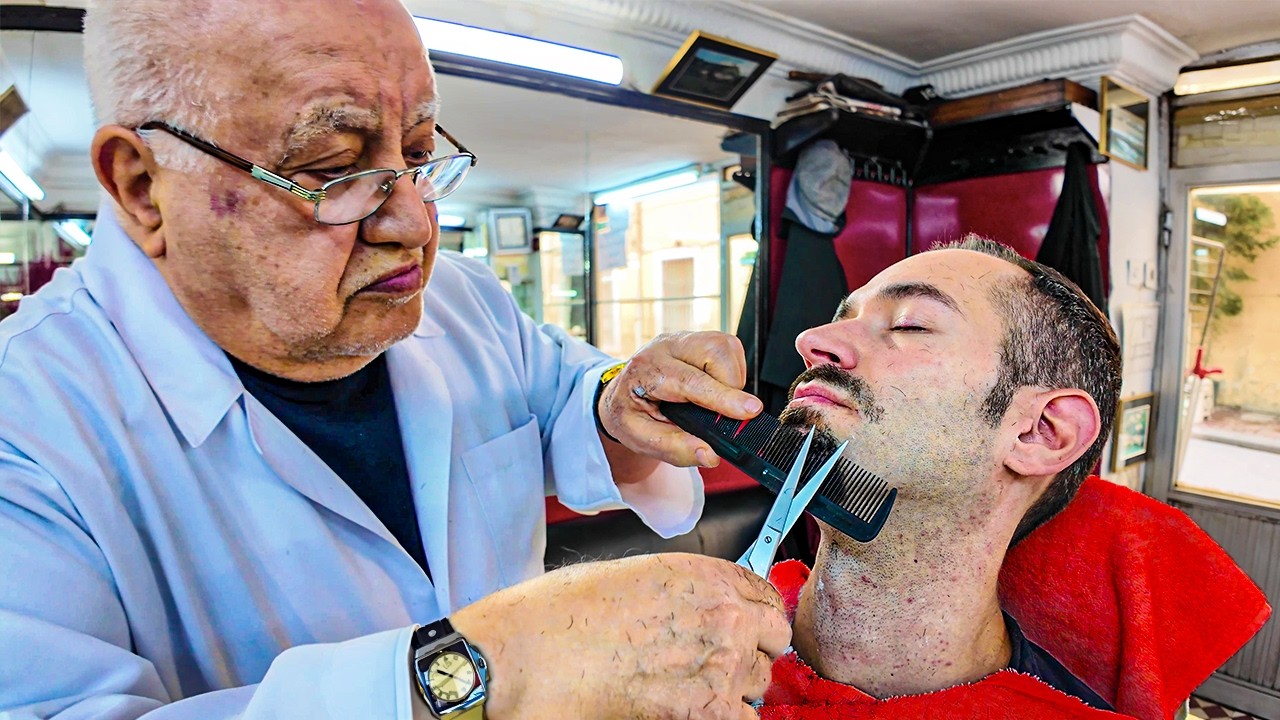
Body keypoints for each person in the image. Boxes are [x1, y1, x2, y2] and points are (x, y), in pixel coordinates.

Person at [0, 1, 788, 718]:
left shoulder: (464, 301)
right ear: (141, 187)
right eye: (335, 167)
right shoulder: (26, 421)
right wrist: (484, 674)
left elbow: (568, 395)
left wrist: (618, 403)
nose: (413, 222)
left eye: (417, 152)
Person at [761, 236, 1123, 716]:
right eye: (844, 317)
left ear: (1040, 433)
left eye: (910, 324)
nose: (812, 340)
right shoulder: (672, 636)